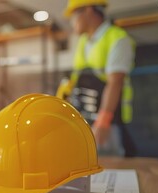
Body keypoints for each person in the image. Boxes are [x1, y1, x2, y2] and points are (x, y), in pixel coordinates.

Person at [58, 0, 136, 157]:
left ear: (88, 10)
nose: (72, 22)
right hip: (85, 121)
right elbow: (74, 80)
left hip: (109, 124)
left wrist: (103, 121)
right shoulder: (83, 42)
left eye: (73, 16)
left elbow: (115, 82)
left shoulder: (117, 38)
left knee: (111, 168)